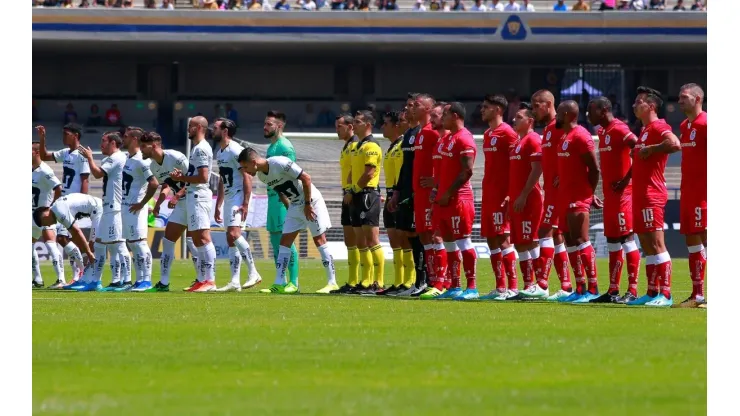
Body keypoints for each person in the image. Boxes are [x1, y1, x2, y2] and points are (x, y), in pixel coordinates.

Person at [239, 148, 336, 294]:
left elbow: (306, 178)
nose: (246, 171)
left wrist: (308, 204)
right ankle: (279, 283)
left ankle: (332, 282)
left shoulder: (280, 162)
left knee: (319, 240)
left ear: (253, 162)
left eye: (246, 167)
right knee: (284, 243)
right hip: (296, 205)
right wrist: (289, 206)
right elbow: (279, 189)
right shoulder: (262, 176)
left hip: (312, 202)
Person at [627, 87, 681, 307]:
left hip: (652, 194)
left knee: (657, 243)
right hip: (640, 194)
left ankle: (665, 294)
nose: (634, 105)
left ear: (650, 106)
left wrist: (652, 148)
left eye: (638, 102)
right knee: (647, 245)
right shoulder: (645, 129)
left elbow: (674, 144)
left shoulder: (659, 126)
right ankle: (651, 293)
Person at [587, 97, 641, 304]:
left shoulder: (619, 128)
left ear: (604, 110)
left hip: (624, 195)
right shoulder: (602, 132)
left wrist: (627, 178)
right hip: (610, 195)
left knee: (626, 238)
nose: (588, 115)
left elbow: (638, 148)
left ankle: (633, 290)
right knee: (612, 241)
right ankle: (612, 291)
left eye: (591, 110)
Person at [429, 102, 478, 301]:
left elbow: (467, 171)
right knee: (449, 243)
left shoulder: (465, 139)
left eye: (446, 114)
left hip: (459, 199)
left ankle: (472, 287)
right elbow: (440, 171)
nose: (442, 118)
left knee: (464, 241)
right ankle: (455, 286)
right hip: (443, 199)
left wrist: (448, 193)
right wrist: (435, 190)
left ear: (455, 115)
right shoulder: (446, 139)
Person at [555, 101, 603, 303]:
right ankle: (580, 287)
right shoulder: (564, 137)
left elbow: (594, 169)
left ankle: (593, 288)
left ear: (566, 114)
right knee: (570, 241)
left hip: (578, 197)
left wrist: (588, 194)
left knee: (581, 240)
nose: (555, 116)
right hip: (565, 196)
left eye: (558, 112)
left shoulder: (581, 136)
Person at [530, 90, 573, 301]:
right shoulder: (547, 130)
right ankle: (566, 286)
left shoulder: (560, 128)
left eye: (536, 105)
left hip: (558, 193)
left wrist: (564, 175)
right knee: (556, 236)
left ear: (548, 104)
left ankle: (542, 284)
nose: (533, 110)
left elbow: (573, 152)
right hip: (551, 191)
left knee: (544, 231)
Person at [477, 95, 520, 301]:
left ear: (498, 110)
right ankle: (500, 287)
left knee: (504, 239)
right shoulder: (487, 134)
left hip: (503, 195)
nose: (482, 110)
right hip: (489, 194)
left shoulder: (508, 134)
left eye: (486, 107)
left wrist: (512, 192)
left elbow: (517, 165)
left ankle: (512, 287)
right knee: (491, 240)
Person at [169, 116, 219, 292]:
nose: (188, 129)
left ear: (198, 127)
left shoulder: (201, 149)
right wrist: (181, 176)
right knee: (197, 238)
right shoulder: (198, 149)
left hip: (199, 195)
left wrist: (181, 178)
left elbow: (204, 177)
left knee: (203, 237)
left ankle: (210, 280)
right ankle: (203, 279)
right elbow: (195, 173)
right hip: (193, 195)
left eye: (190, 126)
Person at [212, 118, 262, 292]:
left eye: (216, 127)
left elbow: (248, 177)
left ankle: (254, 272)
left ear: (225, 131)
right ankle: (234, 281)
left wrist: (246, 203)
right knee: (230, 239)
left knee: (234, 234)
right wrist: (219, 202)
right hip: (229, 199)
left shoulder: (236, 151)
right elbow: (222, 179)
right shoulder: (220, 152)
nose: (213, 129)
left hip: (239, 198)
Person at [77, 132, 130, 291]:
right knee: (103, 244)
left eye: (103, 141)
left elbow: (97, 174)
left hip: (115, 207)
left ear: (113, 143)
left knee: (119, 244)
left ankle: (126, 281)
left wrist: (90, 158)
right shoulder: (111, 158)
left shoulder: (117, 157)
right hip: (108, 206)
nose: (101, 144)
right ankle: (106, 281)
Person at [35, 124, 87, 285]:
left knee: (63, 237)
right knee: (63, 238)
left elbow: (85, 179)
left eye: (66, 134)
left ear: (76, 135)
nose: (63, 137)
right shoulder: (65, 153)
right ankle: (77, 273)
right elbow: (44, 155)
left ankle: (80, 271)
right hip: (64, 201)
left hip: (73, 201)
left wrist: (82, 202)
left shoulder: (82, 154)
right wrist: (43, 137)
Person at [138, 131, 190, 292]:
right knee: (168, 240)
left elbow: (195, 179)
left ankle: (206, 279)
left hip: (195, 199)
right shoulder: (153, 166)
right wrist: (159, 204)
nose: (141, 150)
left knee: (196, 242)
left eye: (143, 147)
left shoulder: (175, 157)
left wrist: (178, 195)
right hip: (181, 204)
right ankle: (164, 283)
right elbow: (166, 185)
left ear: (153, 145)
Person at [506, 103, 546, 300]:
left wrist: (522, 195)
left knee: (531, 241)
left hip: (529, 200)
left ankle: (541, 285)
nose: (514, 119)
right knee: (520, 244)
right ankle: (528, 285)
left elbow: (537, 170)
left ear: (530, 121)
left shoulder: (533, 139)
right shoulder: (517, 143)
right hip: (516, 199)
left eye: (519, 117)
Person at [389, 93, 427, 296]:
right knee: (409, 235)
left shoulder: (423, 132)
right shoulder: (410, 134)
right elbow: (406, 166)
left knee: (418, 234)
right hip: (405, 190)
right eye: (407, 106)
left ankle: (424, 281)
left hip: (417, 191)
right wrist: (396, 191)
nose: (408, 110)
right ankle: (418, 281)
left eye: (413, 105)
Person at [410, 94, 447, 299]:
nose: (412, 108)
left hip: (430, 192)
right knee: (424, 235)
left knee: (435, 234)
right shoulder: (420, 133)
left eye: (416, 105)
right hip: (419, 193)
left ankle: (441, 281)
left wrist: (436, 181)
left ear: (427, 109)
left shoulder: (435, 133)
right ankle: (432, 280)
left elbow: (442, 159)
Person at [674, 83, 707, 308]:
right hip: (688, 192)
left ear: (697, 99)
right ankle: (697, 295)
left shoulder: (707, 123)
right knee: (692, 240)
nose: (679, 101)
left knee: (706, 237)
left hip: (705, 193)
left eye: (684, 97)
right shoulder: (684, 125)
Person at [345, 110, 385, 295]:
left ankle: (378, 282)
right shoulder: (358, 146)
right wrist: (350, 189)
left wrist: (353, 190)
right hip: (357, 195)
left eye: (358, 121)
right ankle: (366, 281)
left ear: (368, 124)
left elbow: (369, 173)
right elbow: (354, 171)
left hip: (368, 195)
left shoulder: (371, 146)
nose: (354, 124)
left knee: (371, 239)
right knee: (361, 240)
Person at [33, 194, 103, 290]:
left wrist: (88, 253)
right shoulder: (57, 209)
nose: (49, 225)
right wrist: (86, 250)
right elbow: (74, 235)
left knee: (95, 246)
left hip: (98, 209)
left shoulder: (59, 211)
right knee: (90, 246)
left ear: (45, 216)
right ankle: (86, 279)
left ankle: (96, 282)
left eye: (46, 223)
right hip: (94, 211)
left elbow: (77, 232)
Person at [263, 111, 300, 288]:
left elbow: (292, 175)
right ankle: (280, 281)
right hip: (272, 199)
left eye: (269, 124)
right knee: (276, 243)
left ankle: (293, 282)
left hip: (282, 199)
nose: (265, 127)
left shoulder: (285, 147)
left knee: (286, 242)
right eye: (265, 124)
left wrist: (286, 199)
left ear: (279, 126)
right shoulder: (271, 147)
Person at [121, 127, 159, 291]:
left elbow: (154, 183)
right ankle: (139, 280)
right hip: (127, 207)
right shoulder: (128, 158)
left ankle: (146, 280)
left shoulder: (141, 160)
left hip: (136, 207)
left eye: (126, 136)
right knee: (133, 244)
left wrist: (142, 203)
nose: (123, 138)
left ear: (134, 139)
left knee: (140, 243)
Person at [378, 111, 406, 295]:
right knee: (395, 243)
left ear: (396, 126)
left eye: (386, 123)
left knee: (405, 242)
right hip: (390, 197)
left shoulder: (403, 145)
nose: (382, 126)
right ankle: (398, 282)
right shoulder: (391, 147)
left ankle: (408, 282)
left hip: (400, 198)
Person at [331, 114, 360, 294]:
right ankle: (353, 280)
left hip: (354, 194)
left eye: (339, 126)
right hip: (347, 194)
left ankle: (365, 281)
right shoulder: (347, 145)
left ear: (350, 126)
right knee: (350, 240)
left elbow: (356, 171)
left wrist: (350, 190)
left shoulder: (356, 144)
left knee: (360, 240)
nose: (337, 130)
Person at [32, 142, 64, 289]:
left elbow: (58, 188)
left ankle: (61, 279)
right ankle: (37, 279)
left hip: (44, 214)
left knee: (50, 244)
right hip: (32, 214)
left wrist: (50, 209)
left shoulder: (45, 170)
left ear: (36, 152)